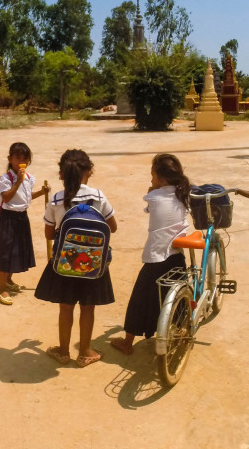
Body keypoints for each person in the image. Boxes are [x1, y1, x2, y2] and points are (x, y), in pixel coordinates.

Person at [34, 149, 118, 367]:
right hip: (94, 263)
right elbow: (113, 228)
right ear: (89, 171)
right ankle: (85, 352)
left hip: (65, 263)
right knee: (88, 307)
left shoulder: (56, 199)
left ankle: (63, 351)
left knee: (66, 307)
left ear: (61, 174)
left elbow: (49, 234)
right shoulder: (99, 196)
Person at [109, 154, 191, 355]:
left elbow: (150, 199)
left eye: (152, 174)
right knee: (178, 296)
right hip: (176, 256)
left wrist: (154, 188)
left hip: (156, 257)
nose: (151, 178)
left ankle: (128, 342)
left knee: (141, 299)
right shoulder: (184, 194)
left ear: (161, 178)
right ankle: (180, 330)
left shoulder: (154, 197)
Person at [0, 142, 46, 305]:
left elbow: (27, 196)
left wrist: (42, 192)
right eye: (17, 157)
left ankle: (9, 281)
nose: (21, 161)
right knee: (6, 253)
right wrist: (18, 181)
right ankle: (1, 288)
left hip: (22, 218)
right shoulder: (6, 179)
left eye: (25, 158)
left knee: (17, 251)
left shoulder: (30, 178)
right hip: (8, 219)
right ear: (10, 159)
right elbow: (6, 197)